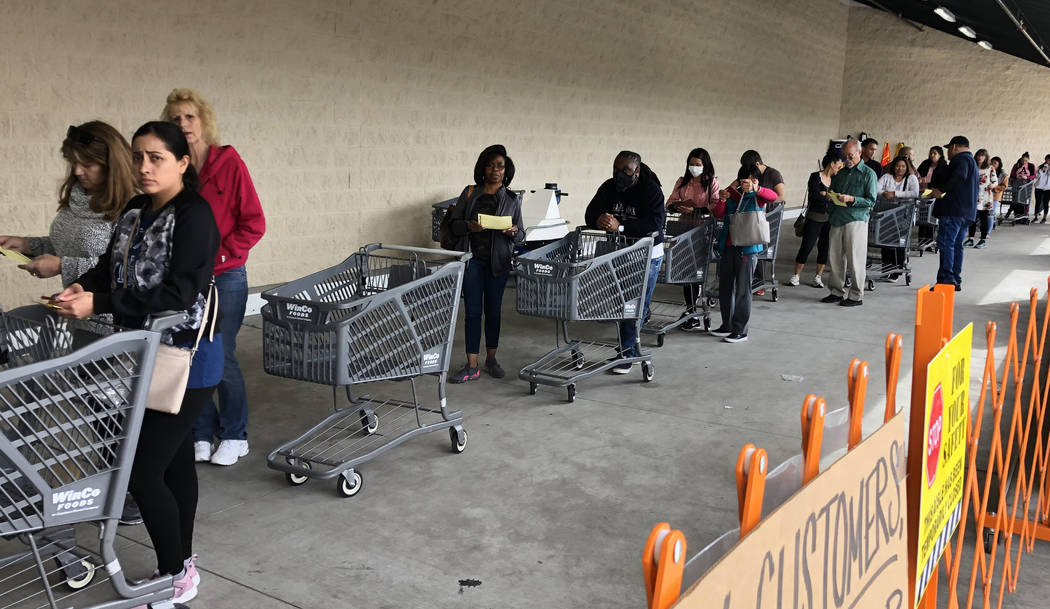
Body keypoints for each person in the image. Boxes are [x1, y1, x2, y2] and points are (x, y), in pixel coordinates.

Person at [50, 121, 221, 605]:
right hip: (144, 355)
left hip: (187, 359)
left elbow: (179, 293)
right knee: (174, 465)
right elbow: (109, 265)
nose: (144, 168)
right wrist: (83, 286)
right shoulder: (135, 209)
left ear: (183, 164)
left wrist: (99, 303)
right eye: (139, 157)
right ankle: (183, 565)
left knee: (143, 472)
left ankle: (176, 572)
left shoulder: (194, 216)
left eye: (157, 159)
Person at [161, 88, 265, 467]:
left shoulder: (229, 163)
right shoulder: (177, 170)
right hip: (188, 279)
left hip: (226, 277)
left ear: (203, 121)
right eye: (175, 119)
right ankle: (201, 432)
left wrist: (220, 255)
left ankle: (236, 434)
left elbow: (254, 222)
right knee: (190, 353)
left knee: (223, 354)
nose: (183, 124)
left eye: (189, 117)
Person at [1, 122, 134, 288]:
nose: (77, 171)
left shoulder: (133, 208)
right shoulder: (78, 194)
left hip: (108, 311)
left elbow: (126, 269)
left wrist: (61, 266)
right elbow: (69, 246)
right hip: (73, 307)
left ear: (111, 165)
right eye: (73, 162)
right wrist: (26, 245)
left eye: (87, 164)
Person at [447, 144, 525, 383]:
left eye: (500, 166)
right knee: (472, 312)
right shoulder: (470, 192)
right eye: (490, 165)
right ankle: (472, 365)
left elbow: (521, 234)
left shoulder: (512, 199)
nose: (495, 170)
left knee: (493, 311)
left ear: (506, 171)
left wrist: (512, 232)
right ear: (483, 167)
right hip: (473, 261)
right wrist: (469, 226)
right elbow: (454, 224)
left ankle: (491, 359)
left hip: (498, 263)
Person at [585, 151, 664, 372]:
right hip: (618, 253)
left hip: (646, 254)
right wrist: (598, 219)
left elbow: (655, 224)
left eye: (626, 171)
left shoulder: (651, 190)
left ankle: (627, 354)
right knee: (624, 303)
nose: (619, 175)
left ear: (636, 171)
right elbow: (590, 213)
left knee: (633, 304)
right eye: (616, 170)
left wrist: (620, 227)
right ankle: (630, 341)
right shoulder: (609, 188)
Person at [709, 164, 777, 343]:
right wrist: (722, 199)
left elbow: (773, 196)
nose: (749, 182)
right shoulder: (733, 194)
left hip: (748, 249)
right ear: (739, 180)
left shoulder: (758, 196)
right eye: (746, 179)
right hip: (729, 247)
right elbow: (718, 213)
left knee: (743, 290)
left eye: (754, 179)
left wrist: (757, 188)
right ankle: (727, 325)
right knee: (725, 288)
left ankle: (740, 330)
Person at [665, 148, 719, 330]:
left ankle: (692, 310)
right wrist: (677, 206)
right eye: (692, 164)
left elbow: (715, 205)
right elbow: (670, 202)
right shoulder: (682, 182)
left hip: (701, 231)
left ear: (705, 166)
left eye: (698, 165)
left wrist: (696, 211)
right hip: (683, 230)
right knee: (684, 271)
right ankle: (690, 309)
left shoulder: (711, 183)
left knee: (695, 272)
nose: (694, 168)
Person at [821, 139, 877, 307]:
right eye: (845, 156)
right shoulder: (842, 172)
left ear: (860, 153)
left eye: (850, 156)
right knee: (835, 257)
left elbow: (871, 201)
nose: (847, 159)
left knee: (855, 259)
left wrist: (852, 198)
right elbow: (834, 191)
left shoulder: (868, 174)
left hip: (856, 219)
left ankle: (856, 295)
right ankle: (836, 291)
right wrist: (829, 195)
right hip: (838, 218)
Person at [928, 136, 978, 290]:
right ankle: (955, 279)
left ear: (955, 147)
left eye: (949, 149)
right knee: (957, 245)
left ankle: (946, 280)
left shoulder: (961, 159)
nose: (948, 153)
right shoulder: (972, 161)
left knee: (946, 243)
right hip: (966, 212)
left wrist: (940, 190)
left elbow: (959, 177)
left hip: (953, 210)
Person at [790, 151, 844, 288]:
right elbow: (814, 196)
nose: (839, 168)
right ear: (832, 164)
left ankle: (818, 277)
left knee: (824, 248)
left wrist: (826, 195)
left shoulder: (837, 179)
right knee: (807, 246)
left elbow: (836, 198)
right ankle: (796, 276)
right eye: (838, 165)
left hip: (829, 219)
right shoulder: (815, 176)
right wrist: (827, 196)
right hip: (814, 217)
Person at [875, 156, 920, 274]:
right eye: (898, 166)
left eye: (903, 166)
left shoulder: (911, 178)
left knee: (899, 241)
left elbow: (915, 193)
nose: (900, 169)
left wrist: (895, 194)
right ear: (893, 167)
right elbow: (875, 189)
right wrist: (885, 193)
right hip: (887, 214)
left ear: (907, 167)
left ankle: (897, 269)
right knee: (885, 239)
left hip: (904, 215)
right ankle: (886, 267)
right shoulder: (886, 177)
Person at [917, 146, 950, 250]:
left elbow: (942, 182)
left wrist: (928, 185)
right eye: (931, 153)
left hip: (935, 194)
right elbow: (917, 175)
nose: (932, 155)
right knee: (922, 218)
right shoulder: (925, 164)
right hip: (923, 194)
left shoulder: (944, 167)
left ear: (940, 155)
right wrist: (921, 181)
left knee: (932, 219)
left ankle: (930, 241)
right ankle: (921, 241)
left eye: (935, 153)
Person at [966, 149, 998, 248]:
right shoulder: (972, 166)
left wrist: (992, 185)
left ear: (986, 157)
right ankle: (970, 238)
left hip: (985, 197)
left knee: (984, 219)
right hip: (973, 195)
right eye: (979, 155)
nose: (980, 158)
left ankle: (982, 240)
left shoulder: (990, 168)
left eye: (982, 156)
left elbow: (995, 181)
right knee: (972, 219)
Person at [1006, 152, 1036, 223]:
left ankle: (1025, 215)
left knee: (1024, 201)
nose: (1024, 162)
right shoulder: (1017, 165)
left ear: (1028, 159)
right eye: (1023, 160)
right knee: (1016, 200)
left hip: (1026, 186)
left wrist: (1027, 177)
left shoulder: (1031, 166)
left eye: (1025, 160)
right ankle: (1017, 215)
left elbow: (1034, 175)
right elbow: (1012, 174)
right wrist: (1016, 178)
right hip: (1017, 184)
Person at [1034, 154, 1050, 223]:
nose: (1047, 161)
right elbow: (1036, 176)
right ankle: (1036, 217)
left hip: (1048, 188)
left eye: (1049, 160)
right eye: (1046, 159)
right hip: (1039, 187)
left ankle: (1044, 217)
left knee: (1046, 203)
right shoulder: (1040, 167)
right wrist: (1041, 170)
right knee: (1038, 202)